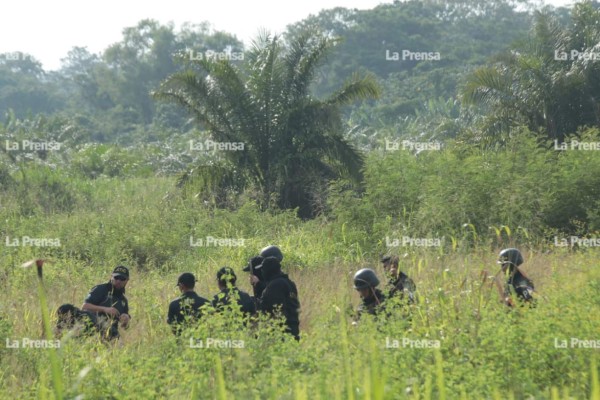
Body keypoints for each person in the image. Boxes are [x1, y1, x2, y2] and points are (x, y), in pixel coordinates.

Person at [256, 256, 300, 340]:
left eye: (263, 269)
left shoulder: (275, 286)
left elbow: (275, 310)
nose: (262, 272)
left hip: (281, 335)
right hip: (293, 331)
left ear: (268, 271)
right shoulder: (289, 283)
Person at [82, 266, 131, 340]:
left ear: (127, 281)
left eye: (122, 279)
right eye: (116, 277)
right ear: (111, 277)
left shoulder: (123, 300)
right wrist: (105, 309)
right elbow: (84, 307)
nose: (118, 281)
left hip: (110, 335)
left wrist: (126, 320)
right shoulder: (100, 289)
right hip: (92, 330)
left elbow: (123, 327)